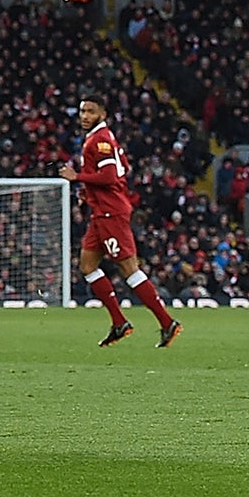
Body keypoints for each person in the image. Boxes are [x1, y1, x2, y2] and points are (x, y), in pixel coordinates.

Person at [60, 91, 181, 349]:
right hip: (100, 212)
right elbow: (123, 168)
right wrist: (88, 191)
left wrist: (78, 177)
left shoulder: (100, 140)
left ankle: (167, 322)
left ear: (102, 114)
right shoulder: (100, 138)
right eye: (82, 111)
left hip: (111, 213)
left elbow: (110, 176)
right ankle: (119, 322)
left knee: (129, 270)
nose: (85, 116)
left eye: (90, 111)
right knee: (87, 265)